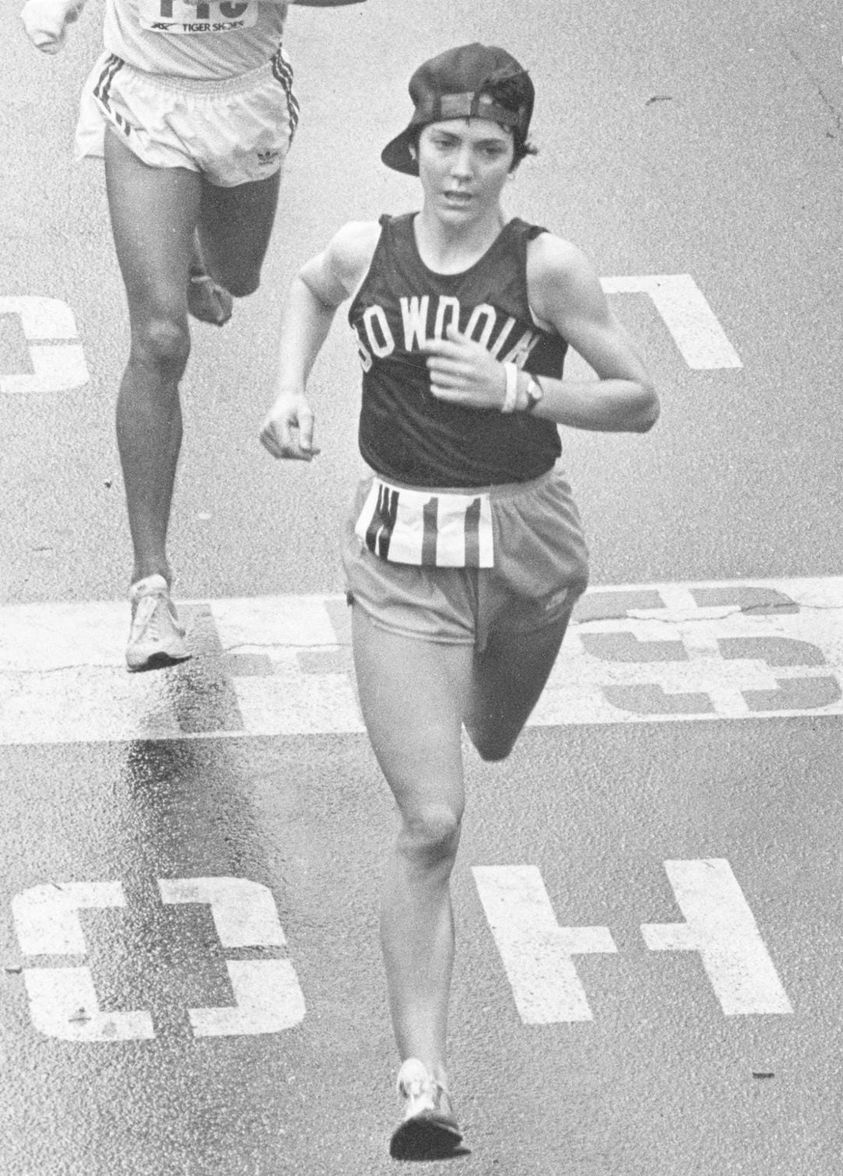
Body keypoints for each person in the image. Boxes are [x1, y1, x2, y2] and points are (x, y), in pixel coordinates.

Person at [260, 42, 659, 1159]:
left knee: (495, 735)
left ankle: (487, 701)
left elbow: (639, 401)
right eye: (445, 144)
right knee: (431, 823)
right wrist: (290, 388)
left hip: (527, 545)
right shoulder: (366, 247)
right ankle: (422, 1083)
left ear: (515, 158)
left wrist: (524, 387)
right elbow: (310, 289)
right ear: (415, 146)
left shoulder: (547, 270)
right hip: (398, 555)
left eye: (489, 149)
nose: (462, 169)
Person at [20, 0, 365, 671]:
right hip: (147, 97)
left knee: (239, 276)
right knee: (159, 339)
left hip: (242, 96)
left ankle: (192, 257)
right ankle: (151, 589)